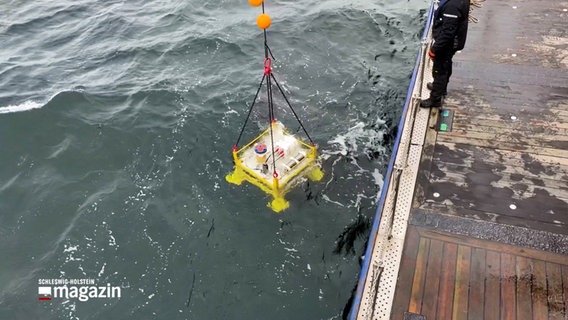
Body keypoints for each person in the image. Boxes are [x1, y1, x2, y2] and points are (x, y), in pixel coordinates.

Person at [421, 0, 470, 108]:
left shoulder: (452, 6)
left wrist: (434, 49)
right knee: (446, 64)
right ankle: (441, 88)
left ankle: (435, 99)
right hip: (455, 41)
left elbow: (448, 32)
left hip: (448, 44)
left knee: (440, 69)